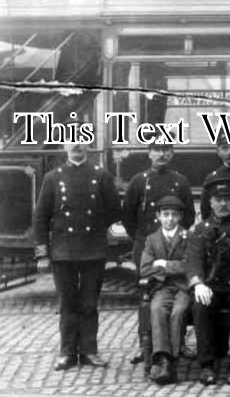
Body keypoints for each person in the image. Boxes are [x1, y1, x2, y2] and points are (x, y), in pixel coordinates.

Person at [32, 141, 122, 370]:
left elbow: (114, 210)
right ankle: (67, 352)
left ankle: (90, 351)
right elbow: (40, 218)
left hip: (93, 250)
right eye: (72, 141)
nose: (77, 146)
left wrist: (95, 226)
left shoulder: (101, 176)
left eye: (82, 140)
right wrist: (43, 253)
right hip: (63, 251)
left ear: (88, 146)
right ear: (64, 146)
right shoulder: (52, 177)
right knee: (67, 304)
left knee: (90, 304)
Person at [185, 176, 230, 385]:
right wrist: (198, 284)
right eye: (218, 199)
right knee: (201, 305)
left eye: (228, 199)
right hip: (212, 286)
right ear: (210, 202)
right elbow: (193, 260)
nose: (223, 204)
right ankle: (207, 364)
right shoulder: (201, 229)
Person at [139, 195, 191, 385]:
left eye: (174, 215)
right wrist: (172, 269)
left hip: (183, 288)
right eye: (166, 215)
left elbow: (191, 265)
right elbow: (144, 268)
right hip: (161, 288)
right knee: (157, 309)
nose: (170, 219)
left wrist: (164, 264)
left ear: (180, 217)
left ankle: (174, 360)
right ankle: (162, 358)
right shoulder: (152, 240)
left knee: (178, 312)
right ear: (158, 216)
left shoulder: (188, 237)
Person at [123, 139, 195, 269]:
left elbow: (188, 216)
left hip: (175, 248)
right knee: (144, 285)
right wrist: (141, 238)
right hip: (145, 245)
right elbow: (128, 216)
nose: (161, 154)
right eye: (157, 150)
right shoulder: (138, 181)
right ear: (149, 153)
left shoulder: (181, 181)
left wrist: (174, 238)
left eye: (166, 150)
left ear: (172, 153)